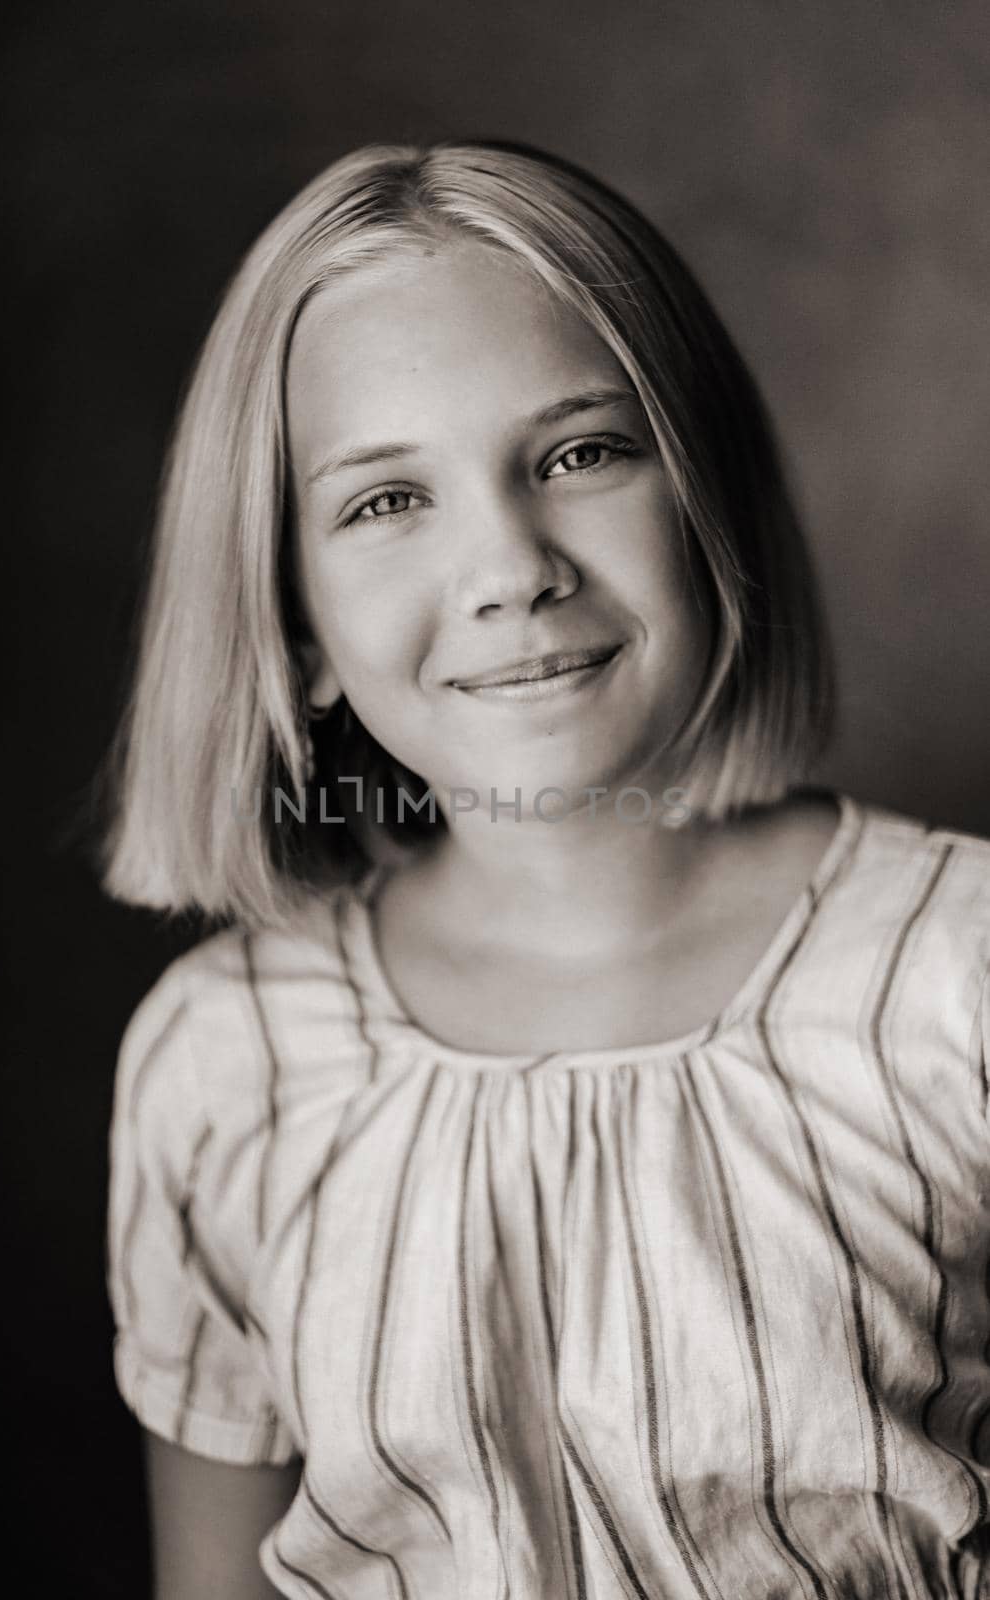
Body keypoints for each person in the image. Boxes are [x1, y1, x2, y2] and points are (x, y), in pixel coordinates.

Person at [101, 140, 990, 1599]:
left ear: (704, 498)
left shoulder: (960, 976)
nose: (512, 564)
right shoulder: (224, 1060)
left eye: (580, 454)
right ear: (297, 627)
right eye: (386, 501)